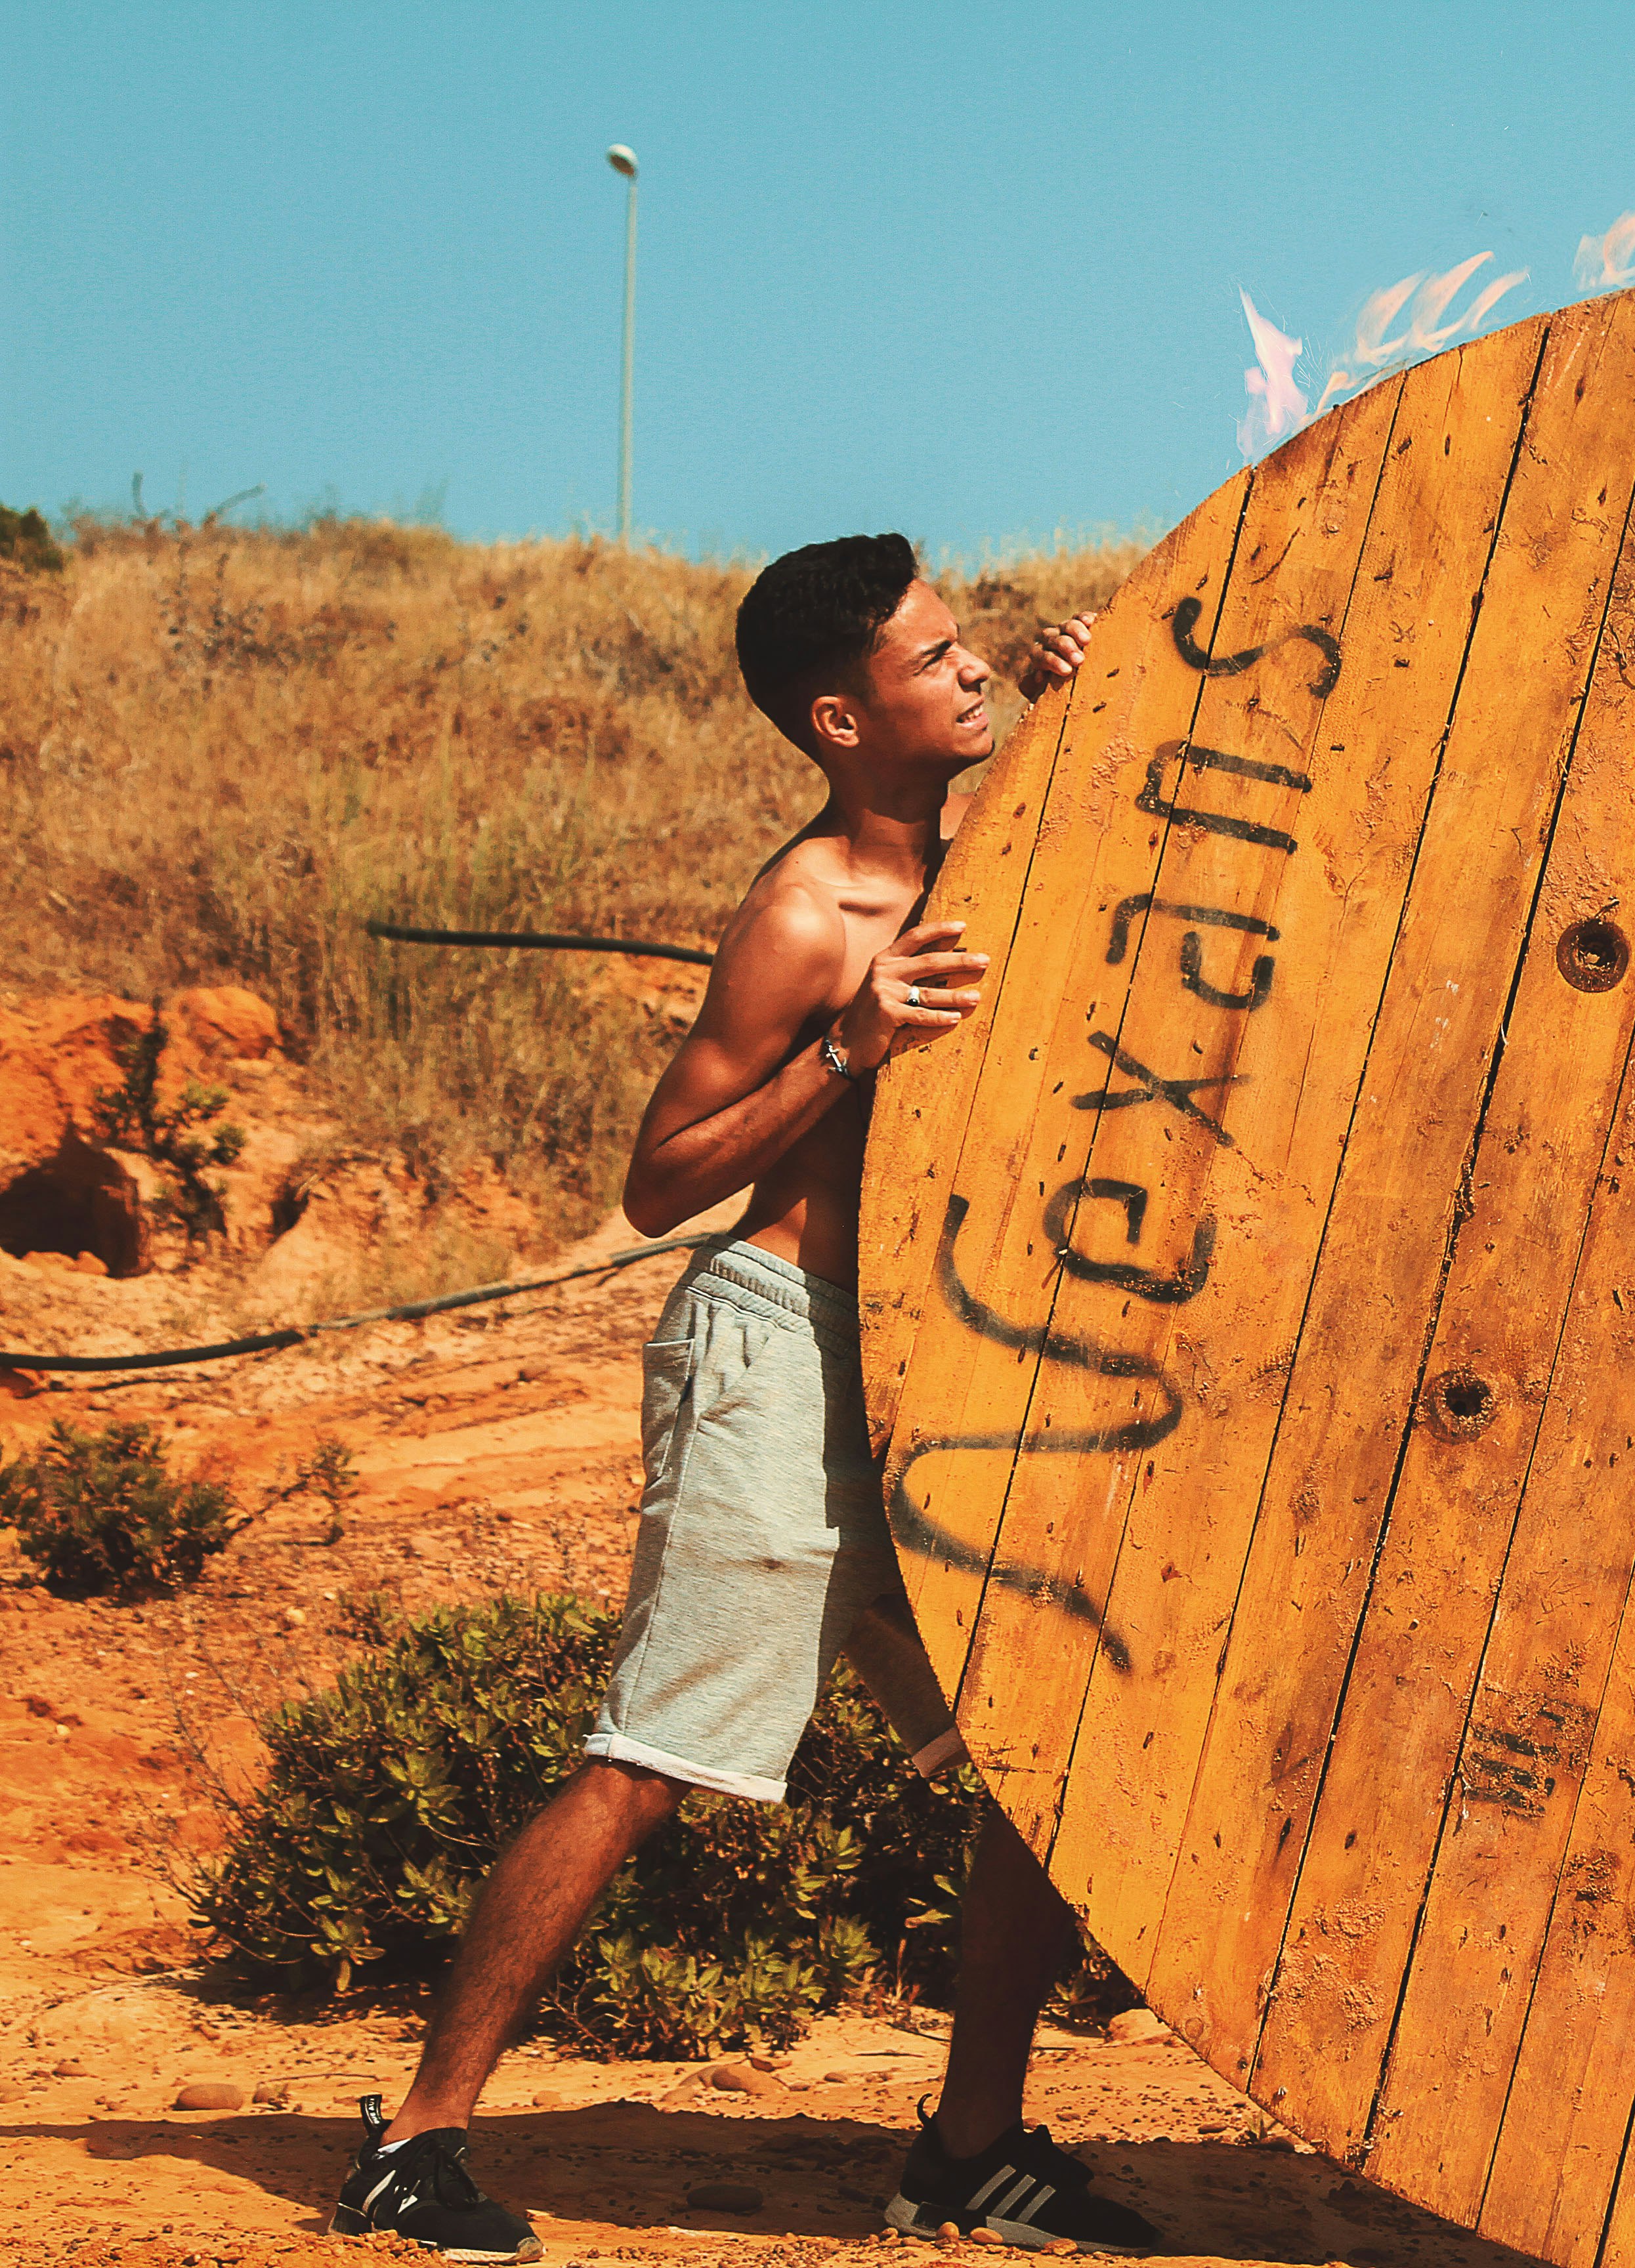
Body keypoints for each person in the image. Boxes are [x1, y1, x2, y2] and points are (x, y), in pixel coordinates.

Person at [333, 534, 1155, 2261]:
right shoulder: (807, 912)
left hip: (948, 1362)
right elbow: (658, 1180)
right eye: (938, 662)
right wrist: (851, 1046)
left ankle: (971, 2146)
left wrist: (1111, 700)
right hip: (783, 1342)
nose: (975, 670)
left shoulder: (998, 839)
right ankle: (414, 2138)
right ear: (846, 719)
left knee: (1047, 1761)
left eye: (971, 647)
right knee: (657, 1756)